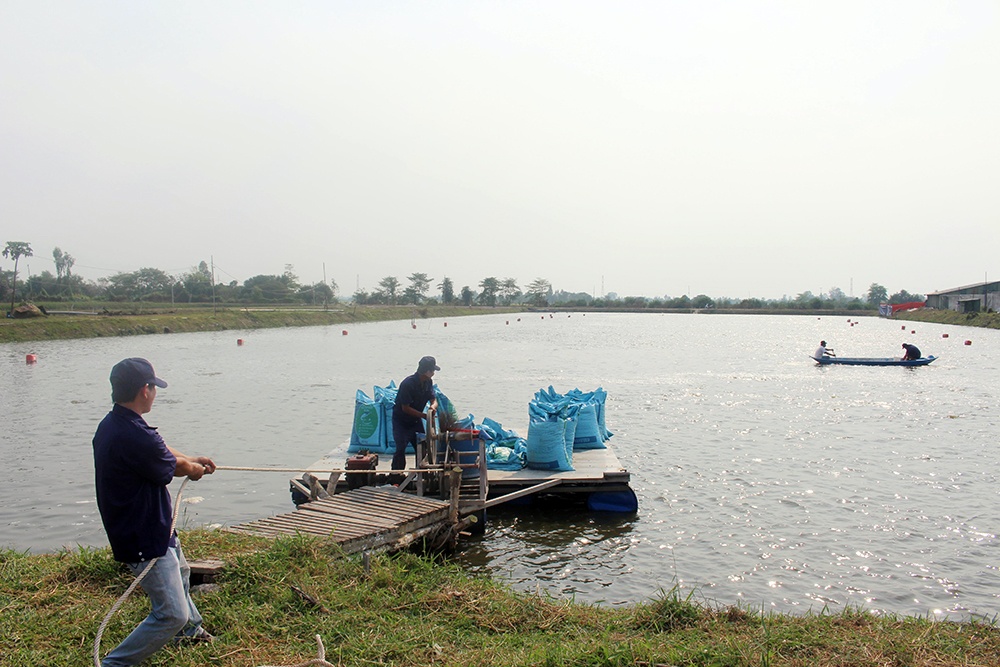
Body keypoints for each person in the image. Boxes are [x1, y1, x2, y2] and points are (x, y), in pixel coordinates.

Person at [93, 358, 217, 666]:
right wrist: (193, 468)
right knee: (171, 613)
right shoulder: (133, 435)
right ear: (144, 391)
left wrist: (191, 457)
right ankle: (115, 663)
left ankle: (190, 631)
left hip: (152, 524)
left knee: (182, 571)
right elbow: (171, 465)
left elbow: (160, 449)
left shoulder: (117, 424)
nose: (155, 393)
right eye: (153, 387)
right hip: (142, 536)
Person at [391, 355, 439, 473]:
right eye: (432, 370)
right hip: (401, 421)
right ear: (427, 371)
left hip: (415, 421)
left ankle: (421, 474)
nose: (433, 373)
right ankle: (396, 476)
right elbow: (405, 408)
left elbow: (433, 399)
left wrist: (433, 407)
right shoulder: (408, 384)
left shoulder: (428, 382)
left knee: (422, 447)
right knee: (400, 448)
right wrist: (424, 416)